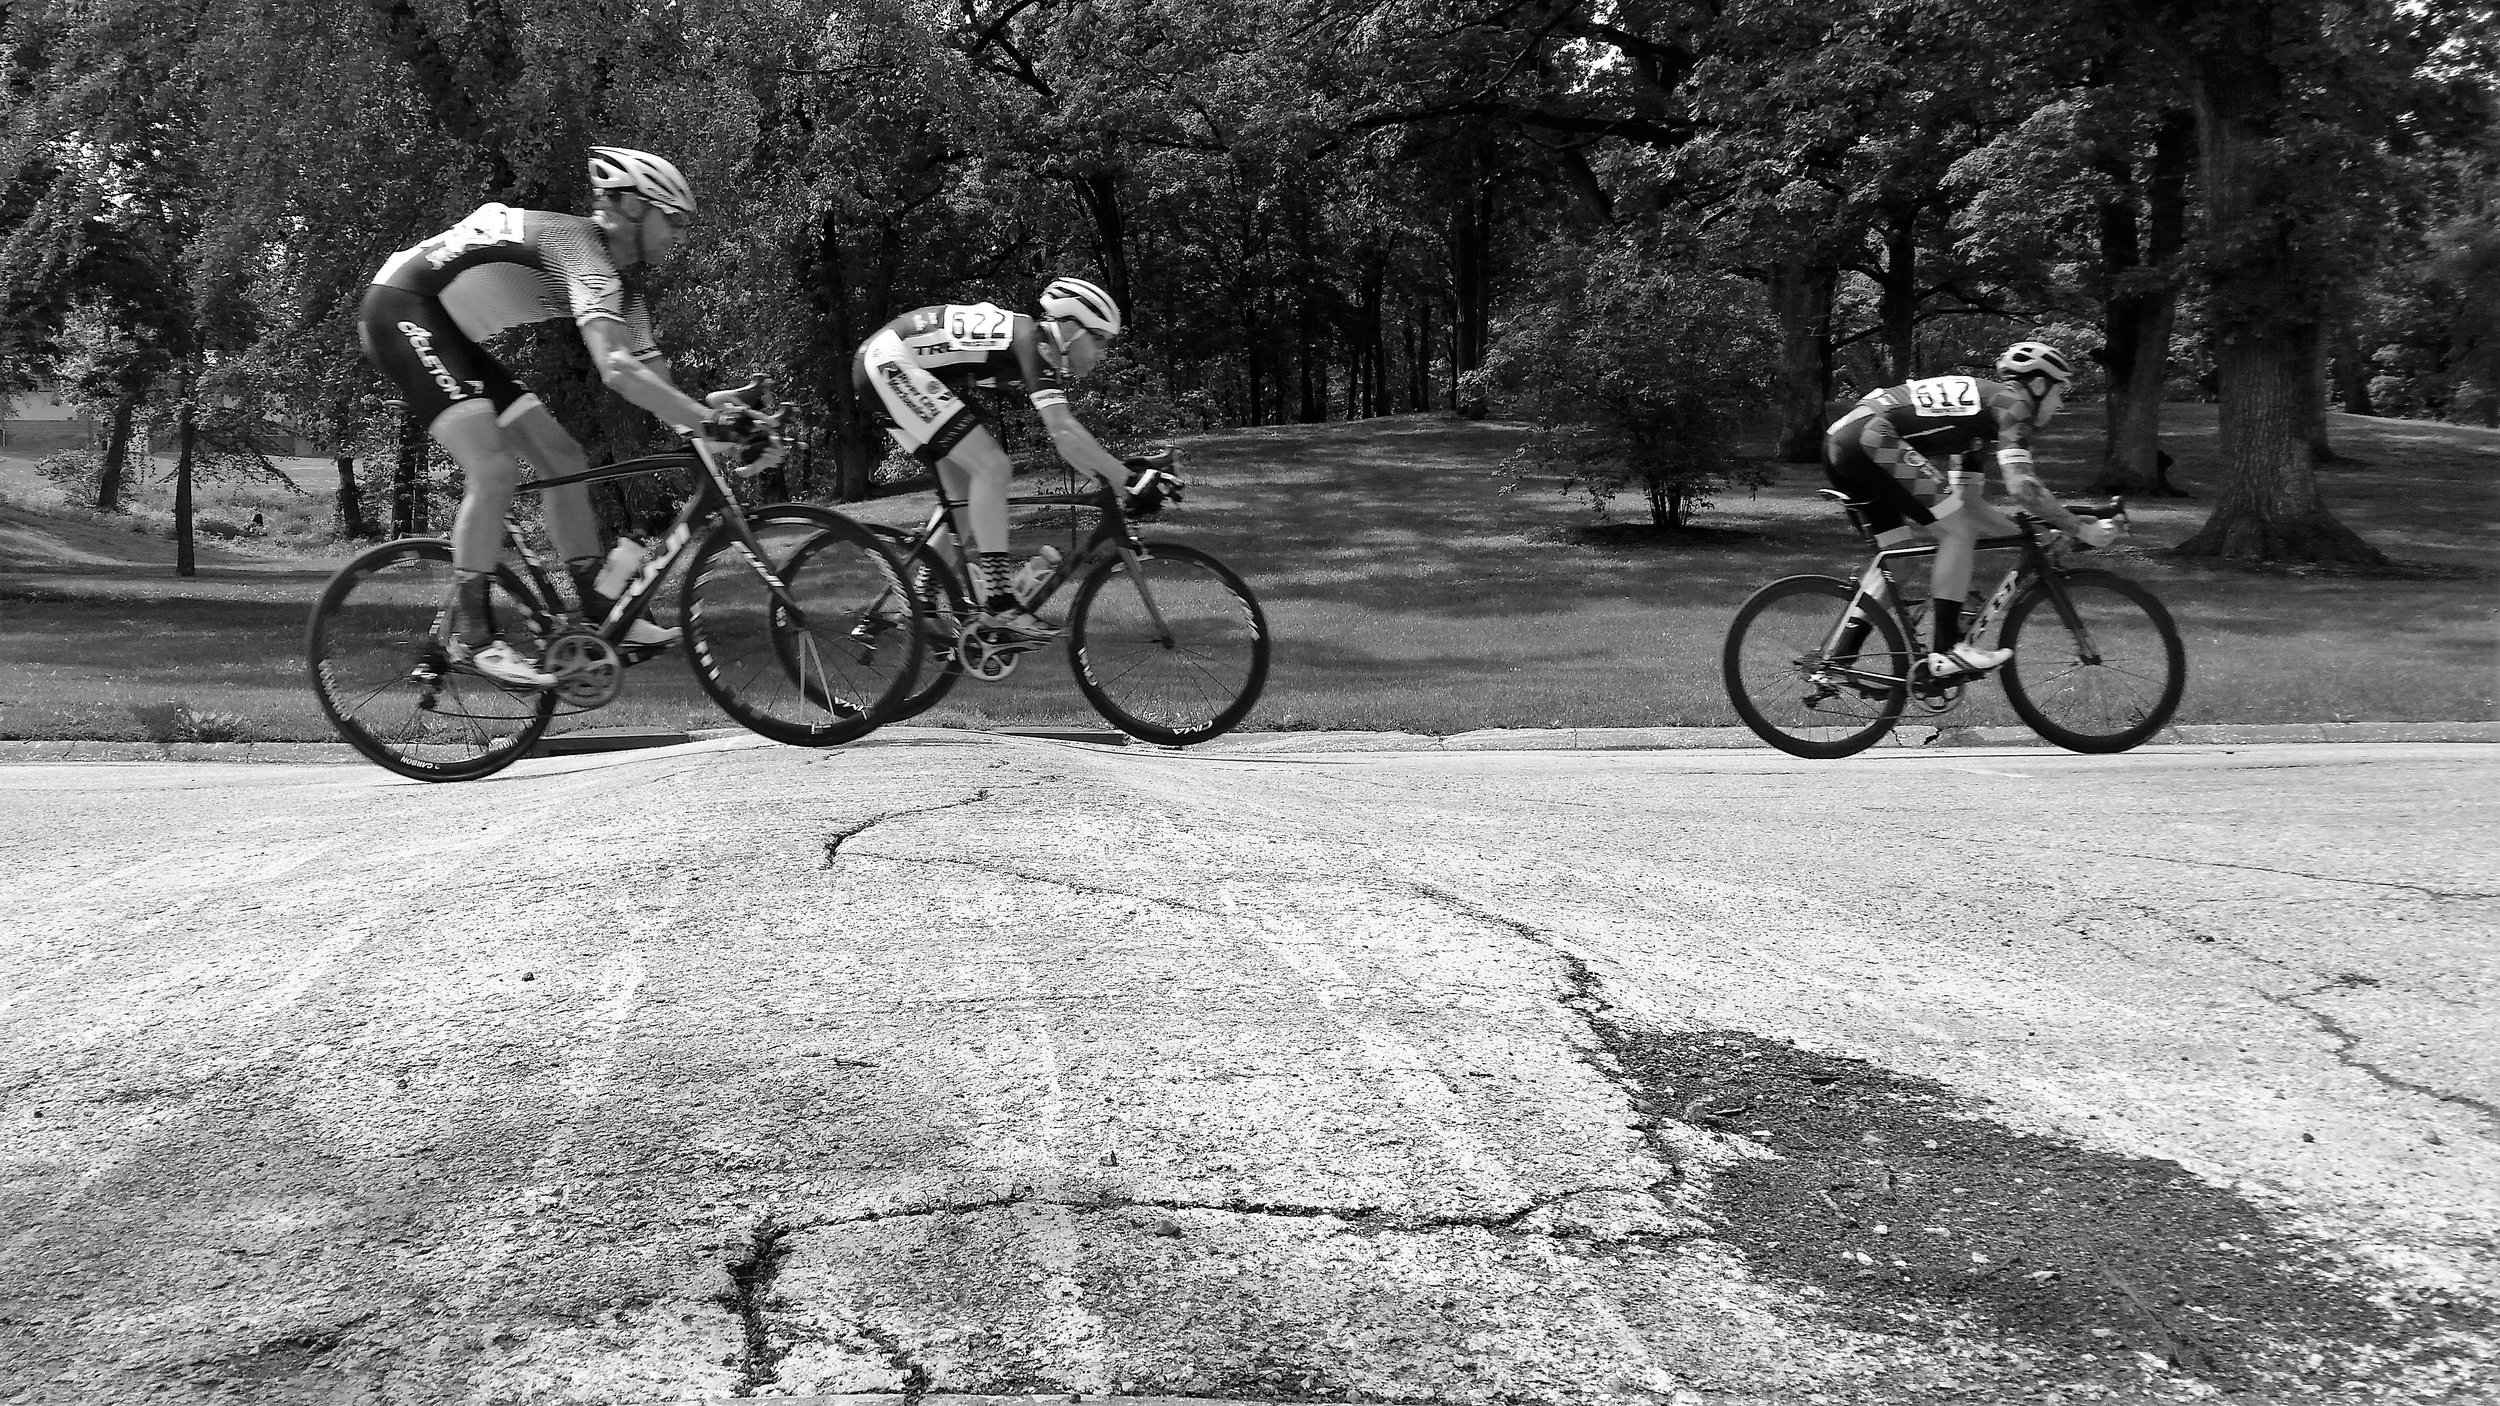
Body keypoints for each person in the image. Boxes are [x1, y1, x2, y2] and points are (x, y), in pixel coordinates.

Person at [358, 146, 771, 687]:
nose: (680, 236)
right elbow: (616, 369)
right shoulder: (578, 248)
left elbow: (656, 385)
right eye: (672, 220)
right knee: (495, 467)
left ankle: (597, 609)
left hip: (451, 333)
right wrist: (707, 423)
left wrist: (716, 414)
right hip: (401, 310)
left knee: (562, 457)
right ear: (627, 207)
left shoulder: (624, 285)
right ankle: (474, 636)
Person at [853, 277, 1132, 643]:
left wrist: (1115, 476)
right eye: (1099, 339)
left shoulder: (1040, 348)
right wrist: (1127, 478)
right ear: (1069, 328)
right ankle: (1000, 601)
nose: (1102, 353)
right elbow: (1062, 430)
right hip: (889, 361)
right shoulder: (1031, 341)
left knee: (965, 501)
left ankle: (919, 601)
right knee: (993, 465)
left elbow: (1068, 443)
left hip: (891, 367)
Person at [1821, 341, 2117, 678]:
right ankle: (1947, 651)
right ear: (2038, 385)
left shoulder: (1977, 420)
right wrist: (2079, 528)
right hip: (1872, 437)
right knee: (1956, 530)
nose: (2060, 403)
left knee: (1899, 563)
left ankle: (1835, 661)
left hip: (1844, 439)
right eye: (2059, 392)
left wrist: (2030, 535)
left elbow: (1970, 504)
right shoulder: (2013, 405)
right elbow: (2022, 487)